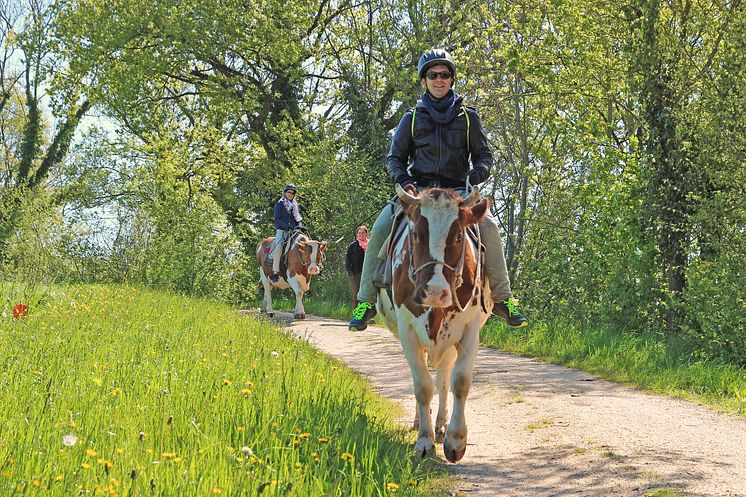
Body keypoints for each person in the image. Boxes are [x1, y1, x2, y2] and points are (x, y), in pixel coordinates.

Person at [348, 48, 528, 331]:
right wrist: (404, 182)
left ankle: (504, 299)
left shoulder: (469, 118)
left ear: (452, 79)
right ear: (424, 80)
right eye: (432, 74)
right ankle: (366, 301)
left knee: (490, 228)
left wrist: (478, 172)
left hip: (457, 194)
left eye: (444, 74)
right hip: (419, 193)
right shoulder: (411, 117)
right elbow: (395, 158)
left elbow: (484, 156)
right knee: (381, 225)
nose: (439, 79)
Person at [270, 184, 303, 282]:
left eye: (293, 193)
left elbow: (298, 218)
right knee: (278, 247)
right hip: (282, 230)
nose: (291, 194)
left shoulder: (295, 205)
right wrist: (286, 226)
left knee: (306, 243)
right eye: (289, 192)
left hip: (294, 230)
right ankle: (275, 272)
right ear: (285, 193)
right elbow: (277, 220)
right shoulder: (279, 204)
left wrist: (300, 226)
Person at [345, 225, 369, 306]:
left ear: (366, 234)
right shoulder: (353, 246)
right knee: (357, 294)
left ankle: (367, 316)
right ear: (357, 235)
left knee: (368, 294)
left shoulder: (371, 245)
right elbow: (348, 260)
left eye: (363, 233)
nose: (361, 234)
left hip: (368, 274)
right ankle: (357, 315)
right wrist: (350, 272)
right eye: (359, 233)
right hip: (356, 274)